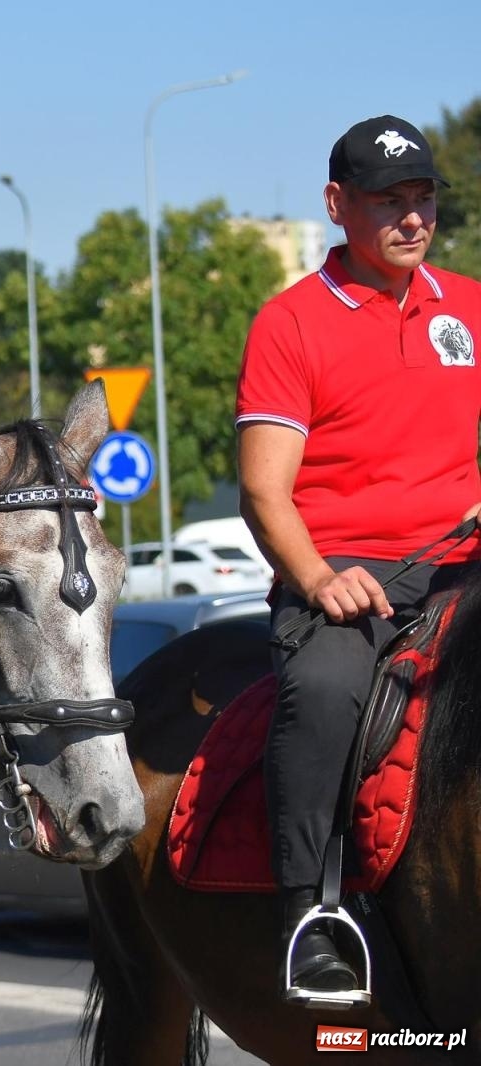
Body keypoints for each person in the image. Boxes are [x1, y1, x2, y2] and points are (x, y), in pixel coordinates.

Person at [236, 115, 481, 1001]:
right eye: (390, 203)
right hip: (346, 574)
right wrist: (317, 579)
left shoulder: (472, 307)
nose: (413, 220)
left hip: (463, 560)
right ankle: (311, 918)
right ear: (339, 206)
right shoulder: (290, 323)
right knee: (327, 691)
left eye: (424, 200)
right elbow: (265, 492)